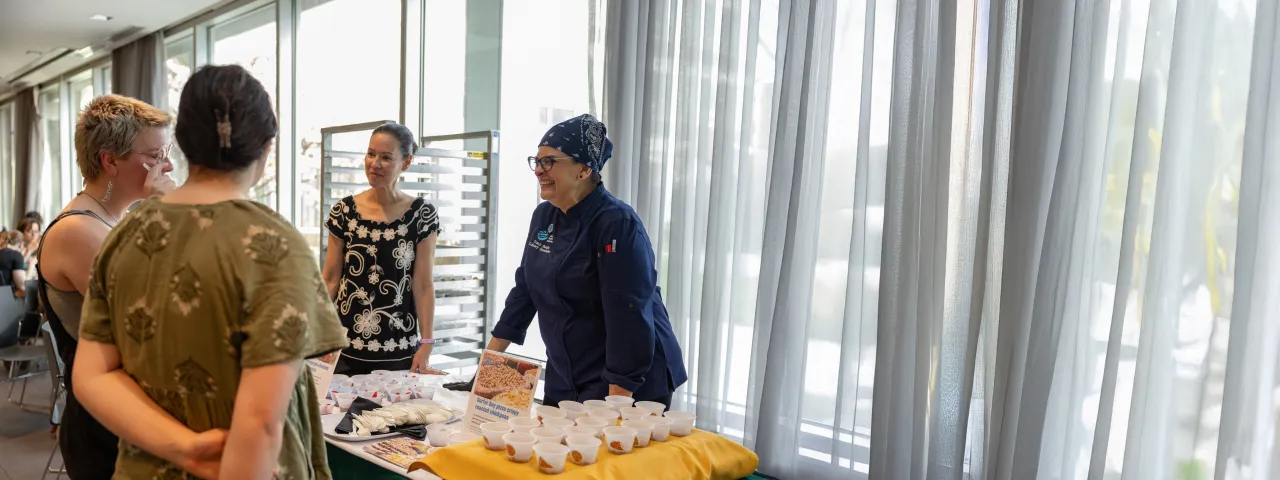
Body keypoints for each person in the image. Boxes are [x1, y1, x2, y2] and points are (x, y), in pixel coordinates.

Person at [73, 65, 348, 479]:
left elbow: (92, 374)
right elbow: (260, 425)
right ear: (266, 147)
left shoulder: (125, 235)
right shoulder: (274, 245)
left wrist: (185, 449)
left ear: (183, 143)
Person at [486, 114, 687, 406]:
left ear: (583, 169)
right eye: (537, 161)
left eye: (549, 162)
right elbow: (525, 290)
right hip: (568, 369)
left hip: (628, 377)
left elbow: (628, 314)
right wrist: (487, 365)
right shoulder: (544, 216)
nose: (539, 171)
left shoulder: (616, 223)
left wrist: (618, 403)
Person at [36, 93, 177, 479]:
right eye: (156, 155)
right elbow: (155, 318)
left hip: (126, 410)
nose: (167, 166)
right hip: (106, 425)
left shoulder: (110, 222)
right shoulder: (78, 231)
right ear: (109, 161)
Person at [322, 122, 440, 376]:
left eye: (386, 157)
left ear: (406, 162)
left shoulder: (422, 215)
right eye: (371, 154)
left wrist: (427, 343)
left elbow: (423, 285)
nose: (375, 164)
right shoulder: (343, 212)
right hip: (343, 348)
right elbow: (330, 278)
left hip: (399, 350)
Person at [0, 231, 26, 297]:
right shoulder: (16, 255)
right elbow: (21, 286)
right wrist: (31, 266)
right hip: (5, 298)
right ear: (20, 244)